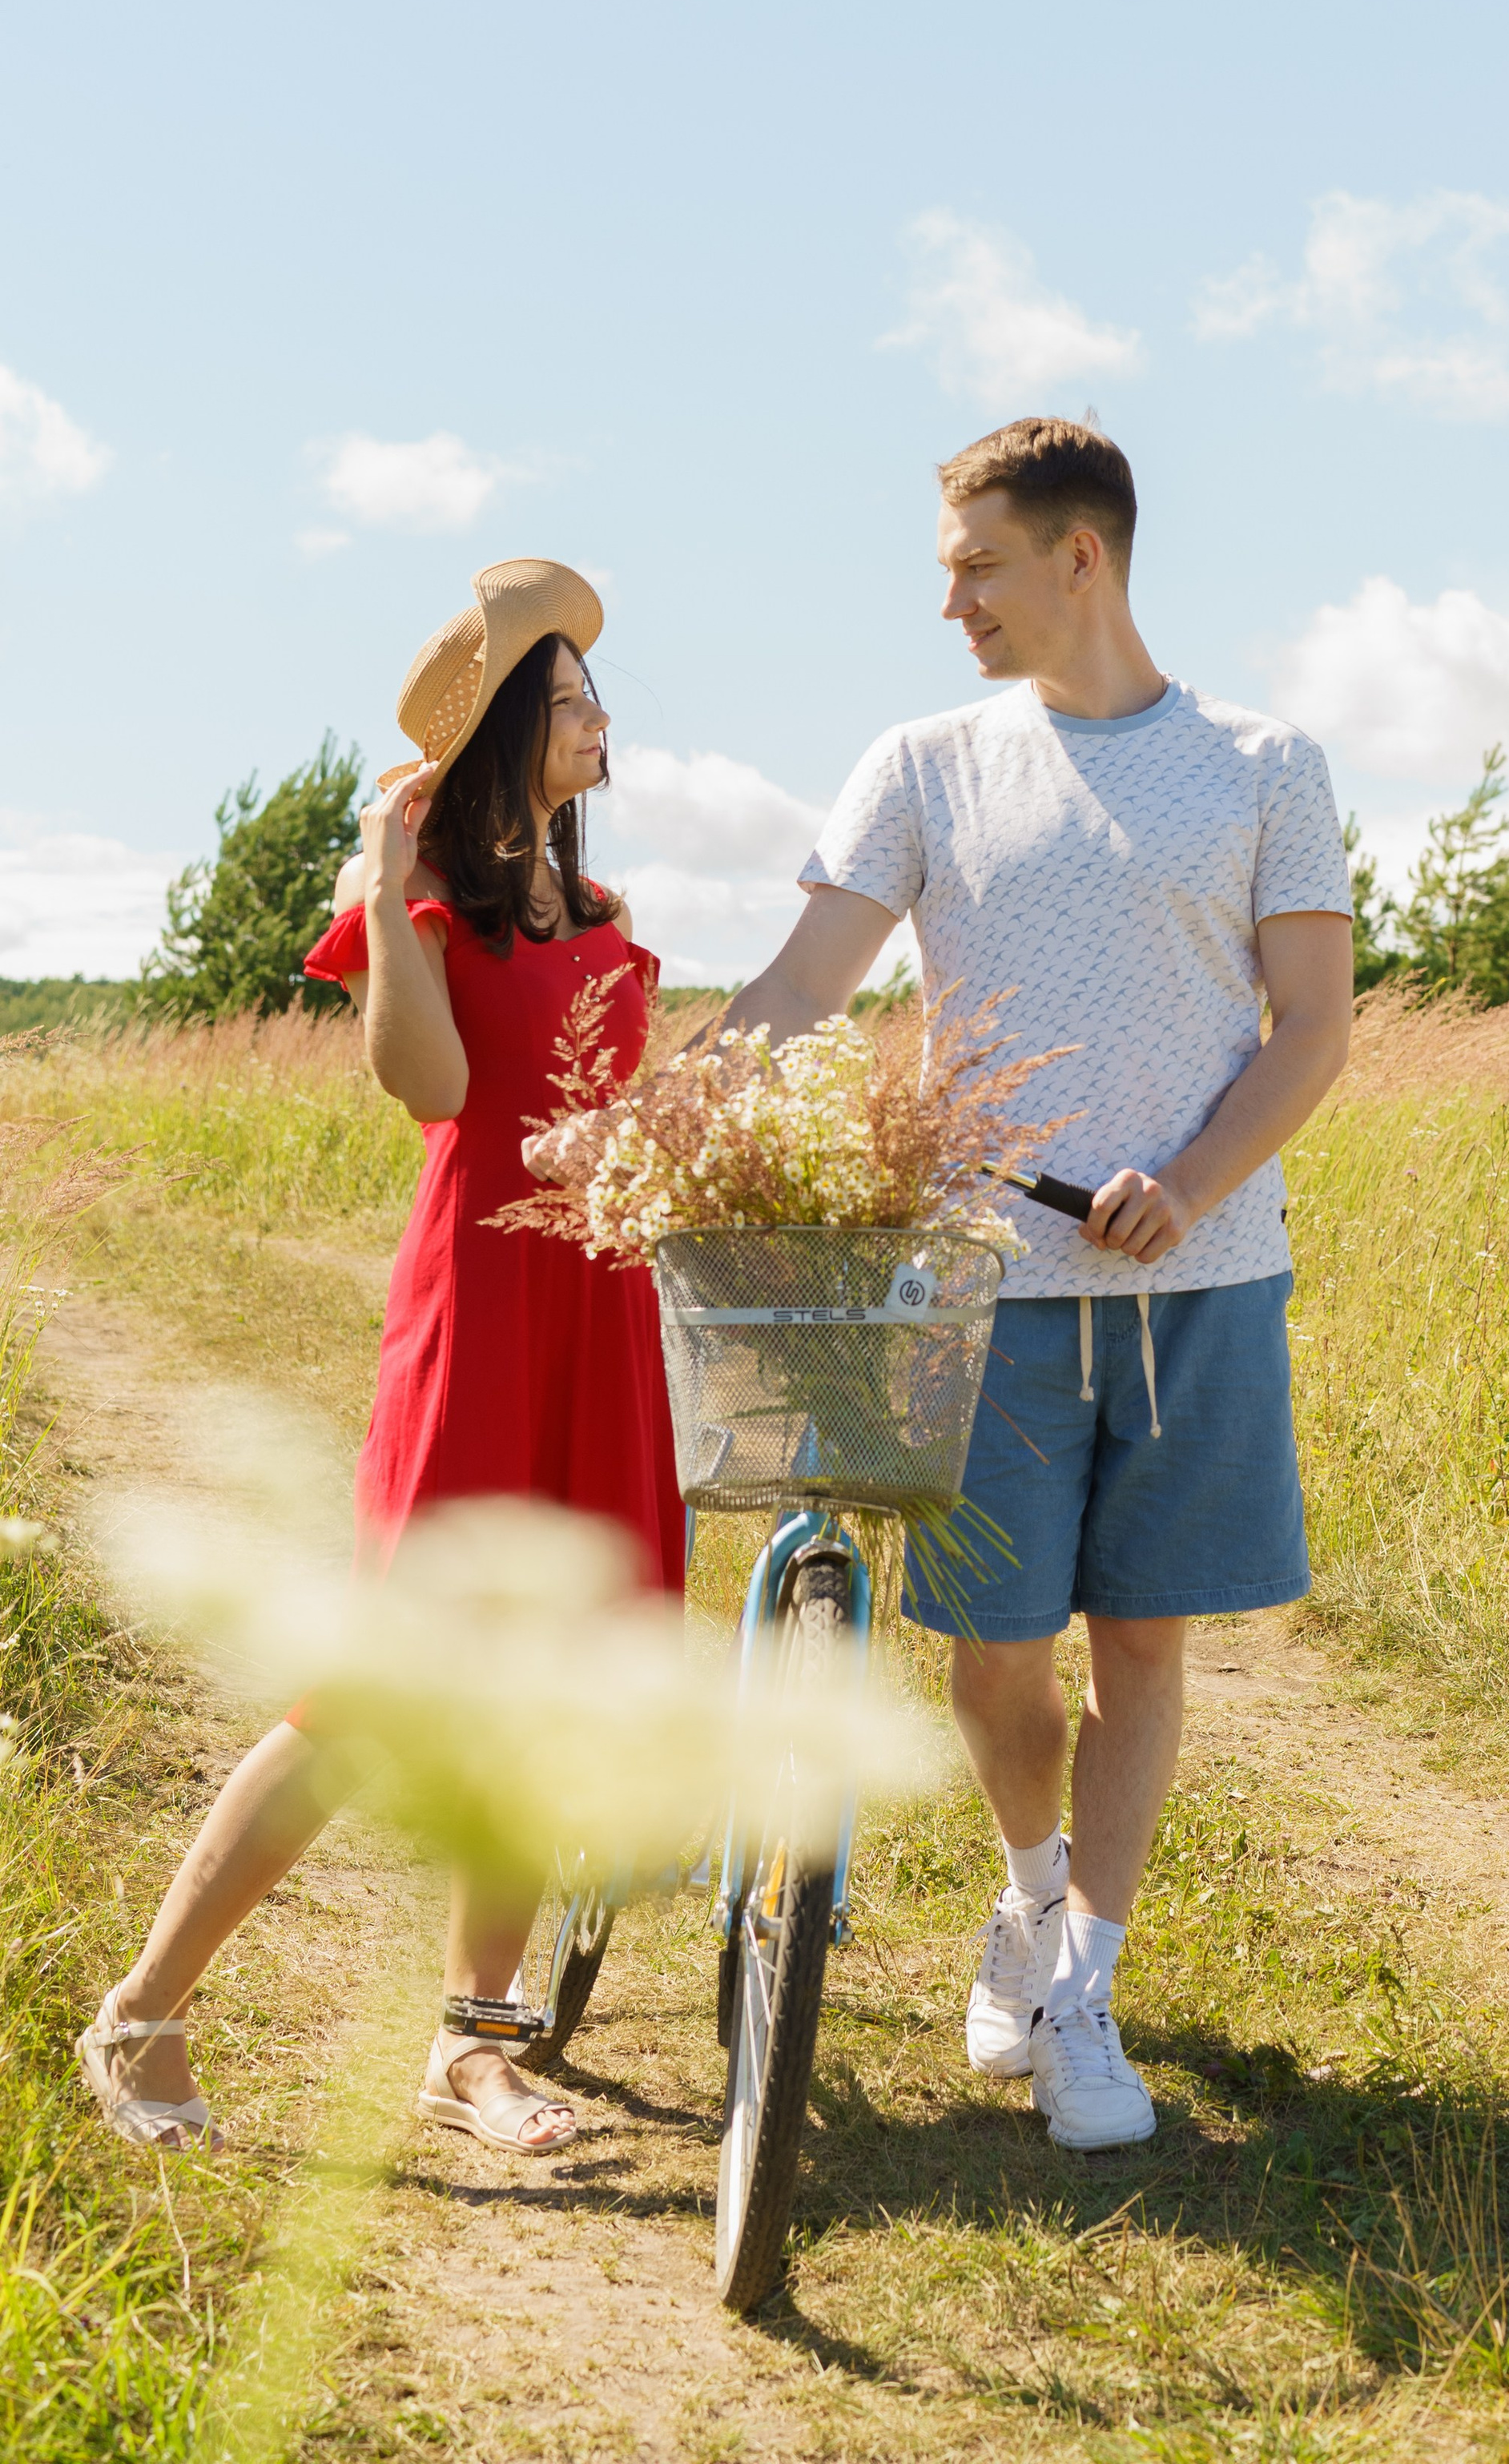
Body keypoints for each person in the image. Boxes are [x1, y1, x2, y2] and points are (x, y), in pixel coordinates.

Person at [724, 420, 1354, 2150]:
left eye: (975, 565)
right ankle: (1025, 1890)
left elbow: (1313, 1029)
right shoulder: (922, 764)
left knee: (1140, 1638)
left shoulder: (1260, 764)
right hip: (981, 1290)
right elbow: (800, 981)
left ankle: (1080, 1987)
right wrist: (665, 1112)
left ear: (1080, 556)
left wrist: (1195, 1179)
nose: (951, 603)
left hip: (1198, 1284)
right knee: (999, 1649)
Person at [77, 558, 685, 2159]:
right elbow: (429, 1092)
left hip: (601, 1310)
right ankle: (140, 2013)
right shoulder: (425, 902)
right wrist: (385, 859)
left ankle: (473, 2051)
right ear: (497, 736)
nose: (602, 724)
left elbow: (619, 1125)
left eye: (595, 701)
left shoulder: (613, 925)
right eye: (567, 706)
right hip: (479, 1312)